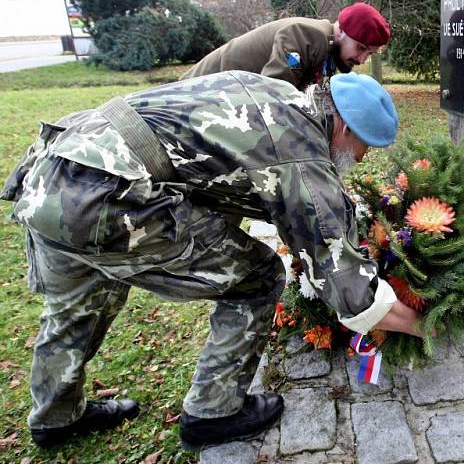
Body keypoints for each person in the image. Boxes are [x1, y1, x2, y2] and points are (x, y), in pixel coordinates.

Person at [1, 70, 421, 451]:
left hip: (57, 171)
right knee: (257, 277)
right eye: (364, 146)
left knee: (81, 301)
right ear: (344, 127)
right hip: (107, 198)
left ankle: (55, 418)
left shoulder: (274, 92)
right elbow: (350, 291)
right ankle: (213, 412)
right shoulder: (301, 153)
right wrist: (423, 326)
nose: (362, 159)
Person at [180, 2, 390, 90]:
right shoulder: (307, 36)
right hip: (194, 91)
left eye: (369, 53)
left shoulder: (328, 50)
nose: (362, 60)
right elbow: (273, 92)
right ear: (342, 30)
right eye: (361, 48)